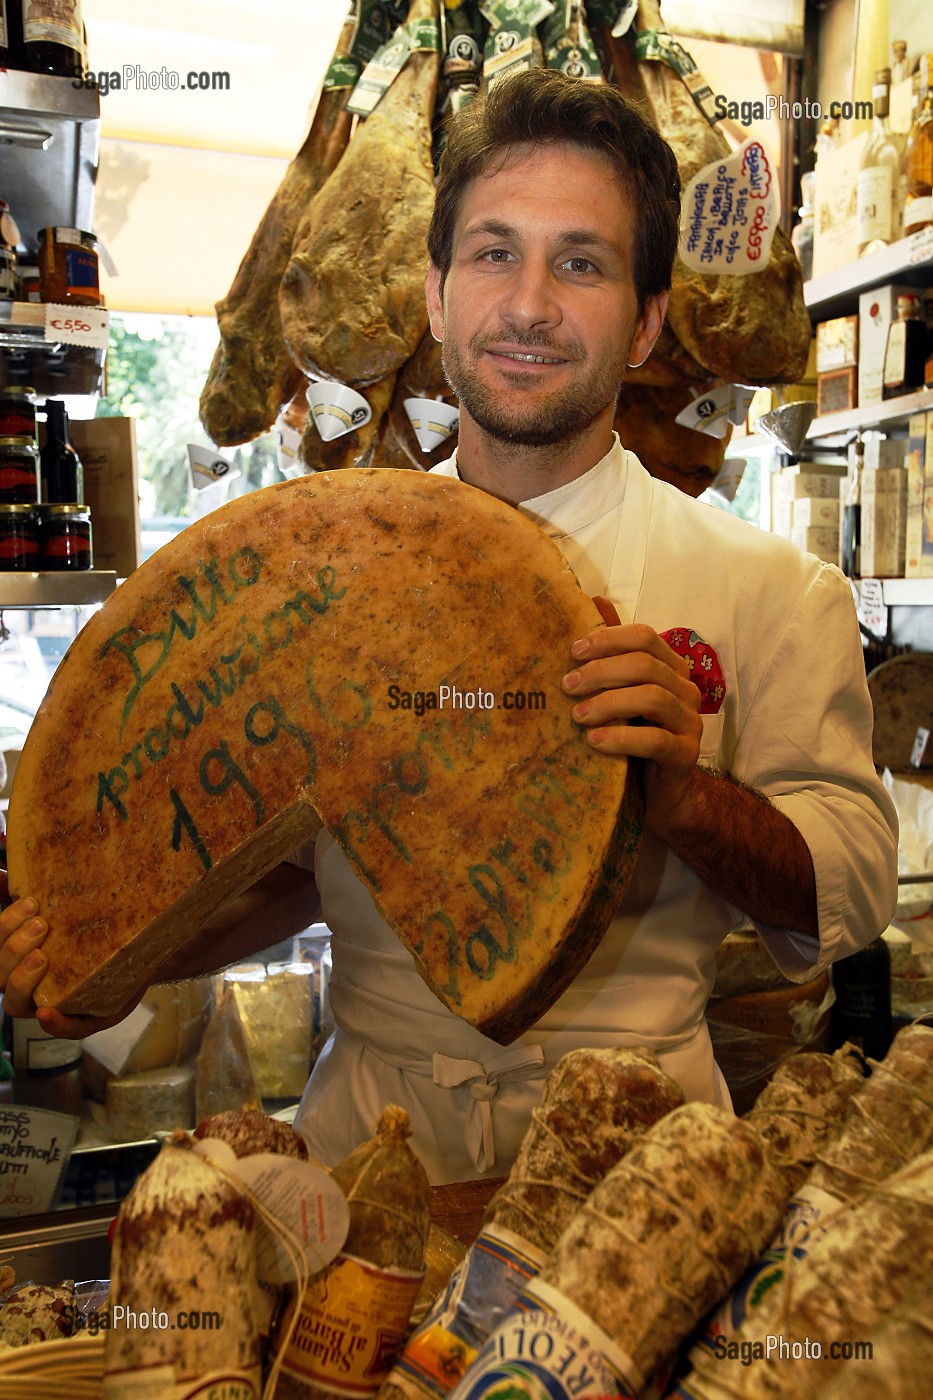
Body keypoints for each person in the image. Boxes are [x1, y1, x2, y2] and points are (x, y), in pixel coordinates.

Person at [0, 70, 898, 1183]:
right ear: (435, 297)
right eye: (492, 253)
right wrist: (121, 960)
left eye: (581, 262)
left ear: (648, 319)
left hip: (635, 1164)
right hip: (367, 1150)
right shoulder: (315, 572)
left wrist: (682, 795)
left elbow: (851, 895)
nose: (528, 304)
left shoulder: (770, 587)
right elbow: (301, 847)